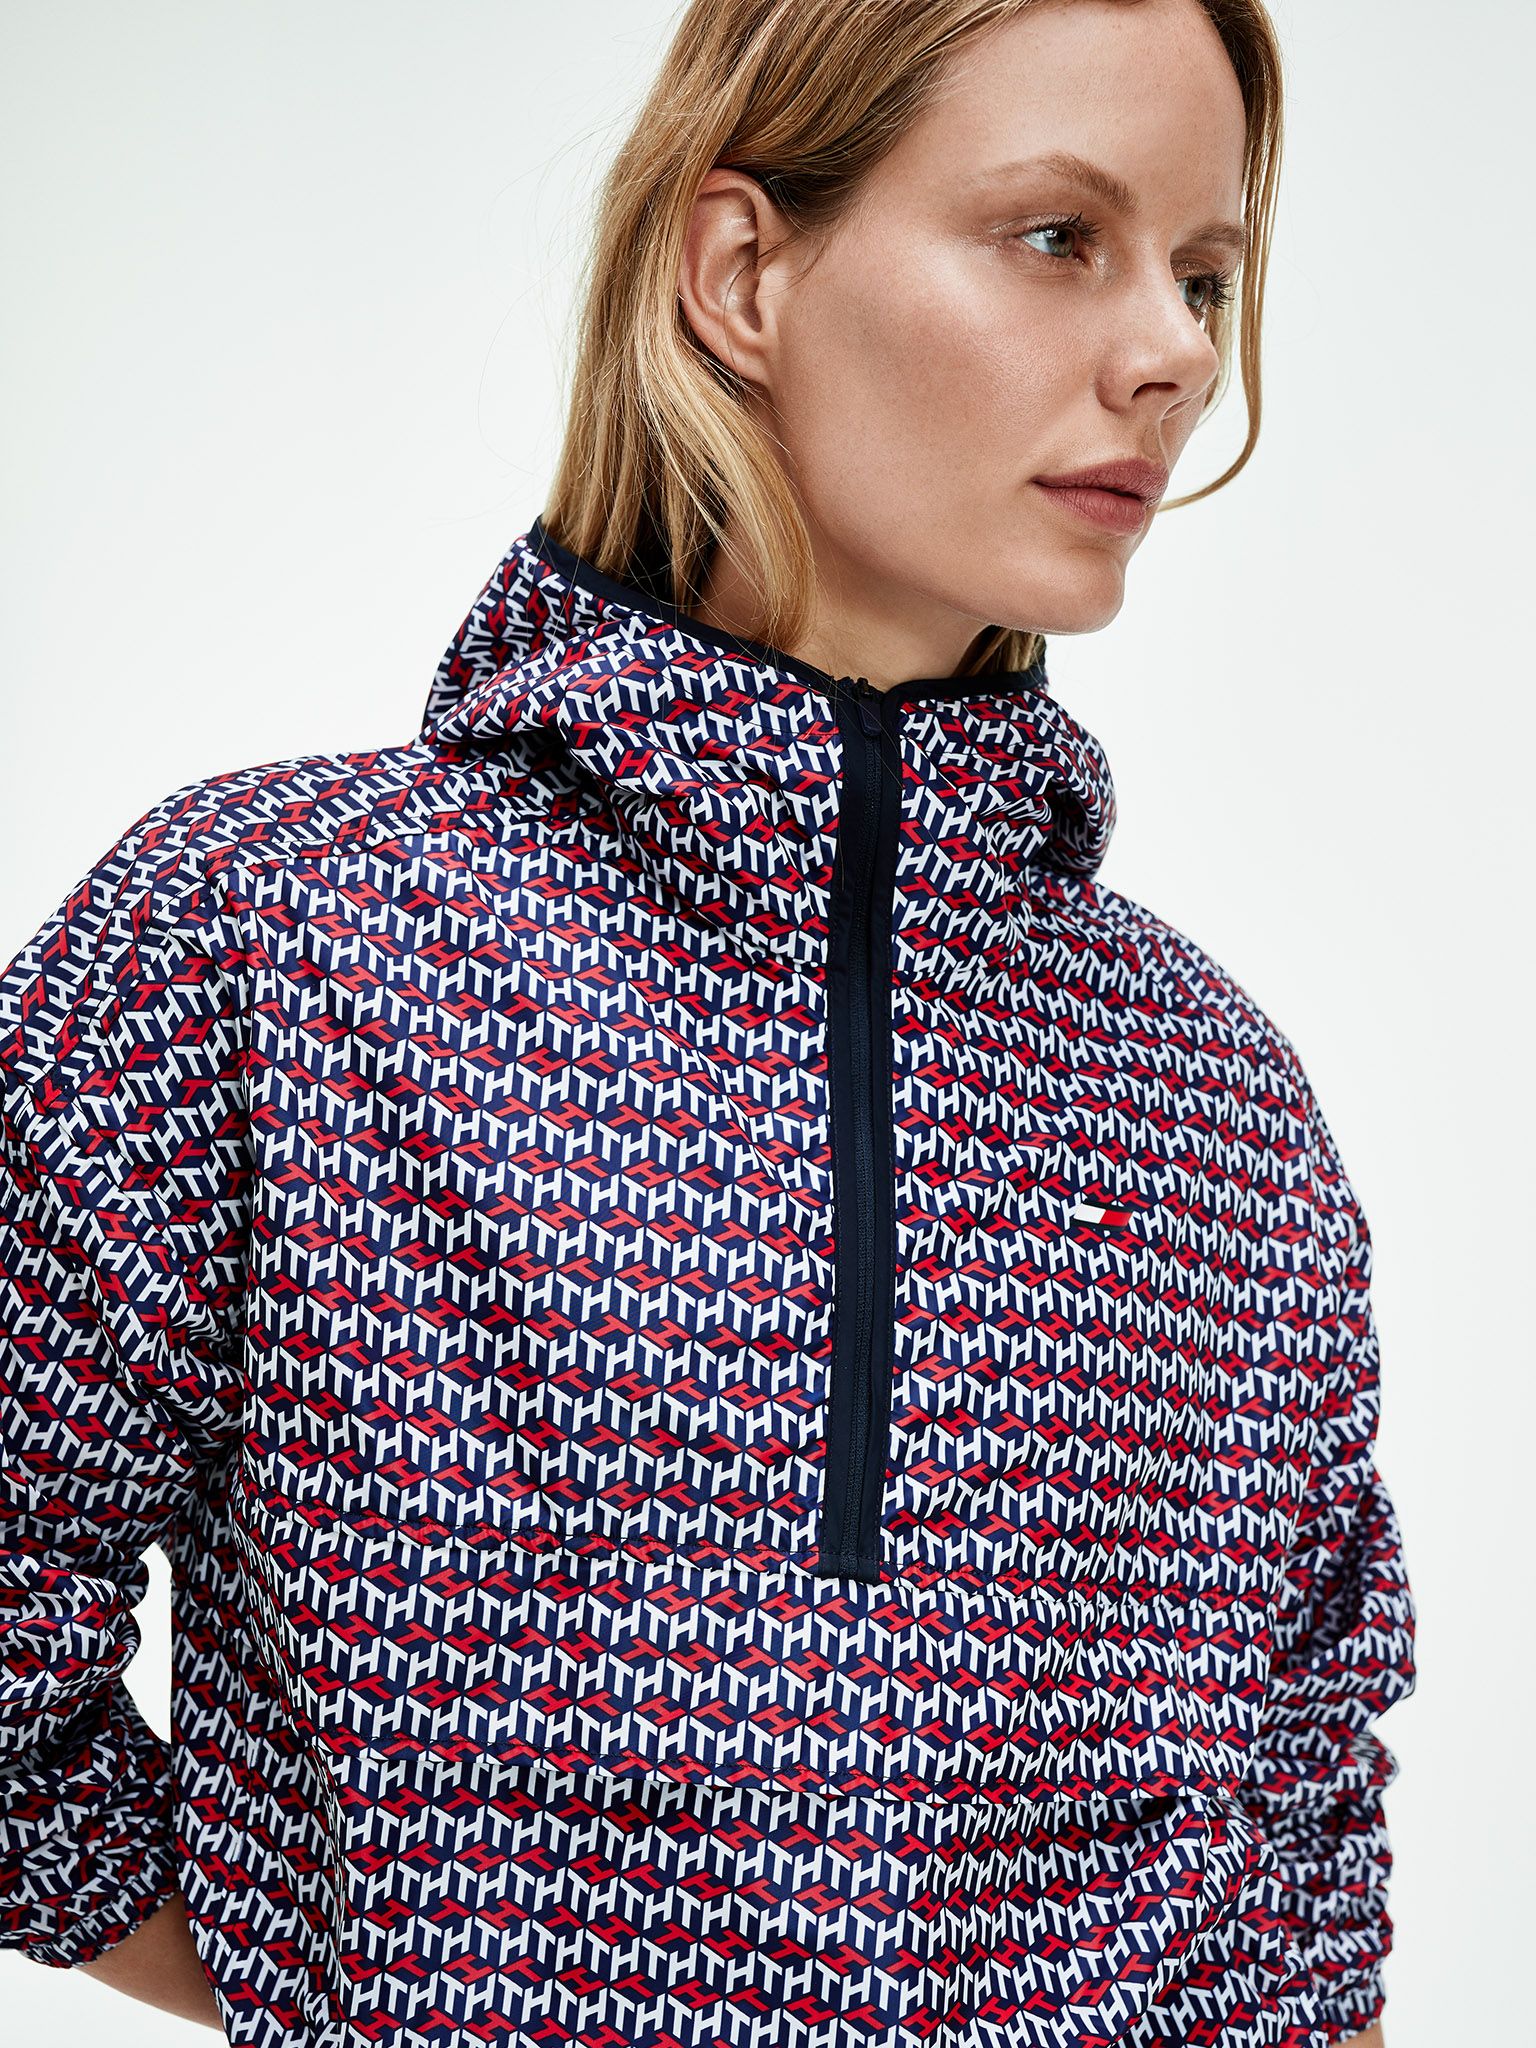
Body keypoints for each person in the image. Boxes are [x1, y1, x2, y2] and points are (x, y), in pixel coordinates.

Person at [0, 0, 1416, 2043]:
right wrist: (361, 1976)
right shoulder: (265, 937)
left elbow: (1305, 1880)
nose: (1176, 351)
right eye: (1058, 237)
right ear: (743, 270)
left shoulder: (1215, 1093)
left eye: (1202, 273)